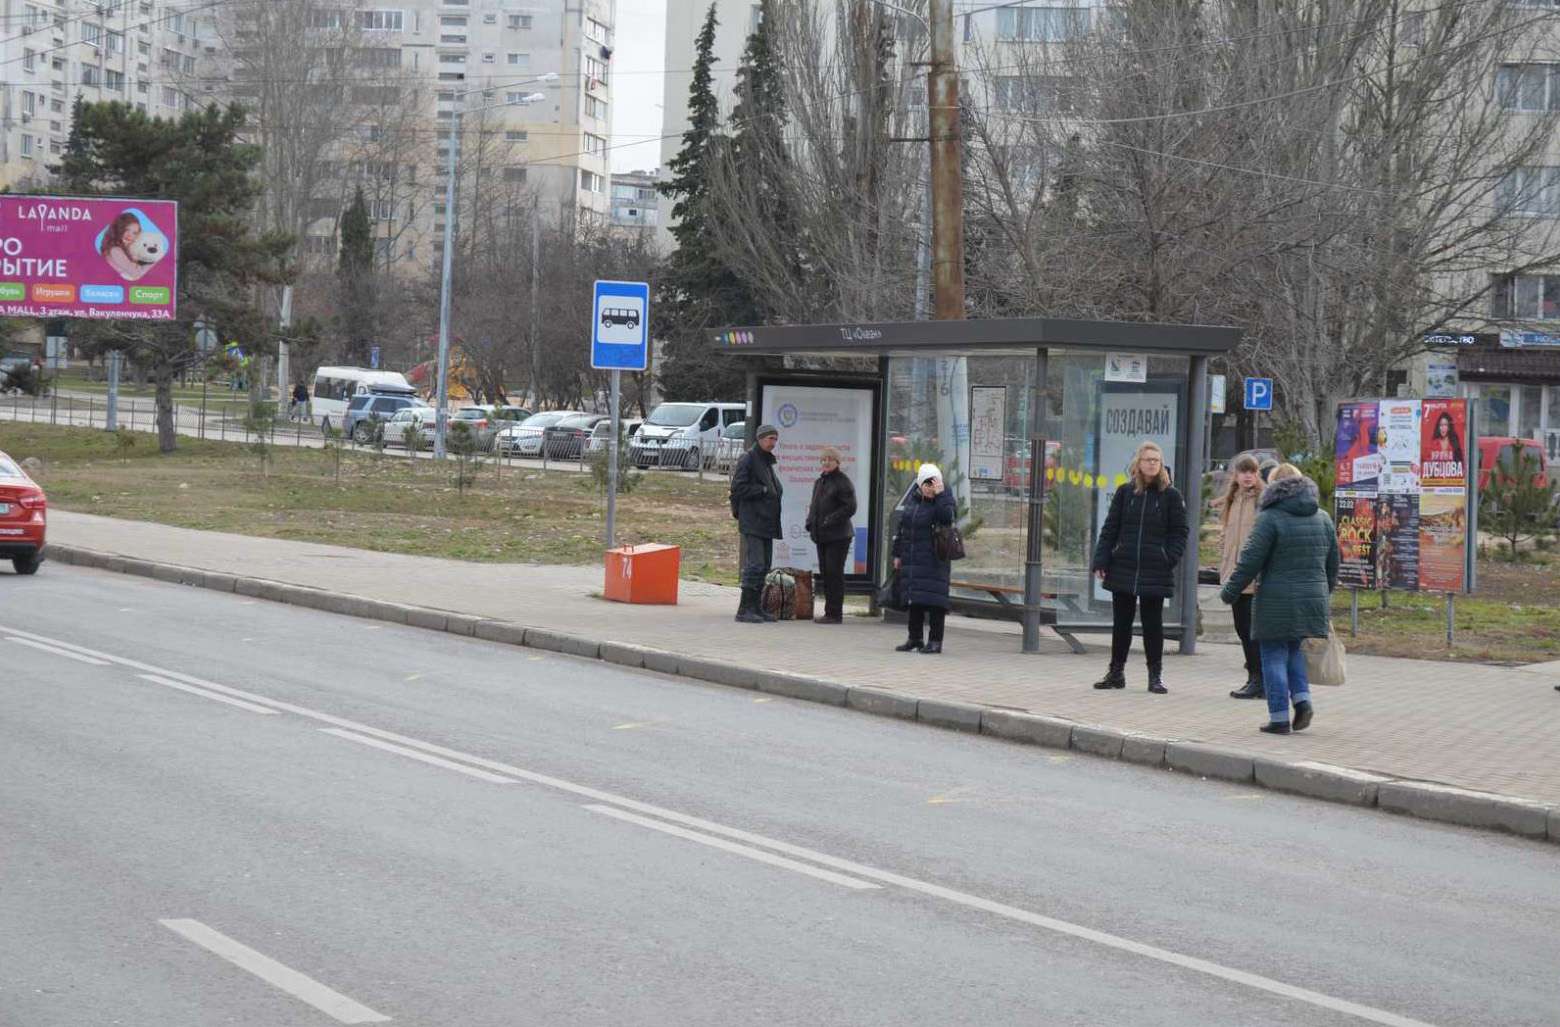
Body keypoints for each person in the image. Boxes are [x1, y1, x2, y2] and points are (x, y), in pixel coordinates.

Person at [1219, 463, 1340, 735]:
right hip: (1312, 598)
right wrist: (1324, 592)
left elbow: (1249, 561)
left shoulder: (1269, 518)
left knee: (1273, 653)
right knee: (1294, 650)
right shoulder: (1322, 517)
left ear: (1273, 487)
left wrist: (1229, 591)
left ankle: (1279, 717)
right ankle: (1302, 700)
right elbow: (1333, 562)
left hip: (1275, 598)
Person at [1091, 440, 1189, 694]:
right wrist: (1102, 559)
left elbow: (1180, 532)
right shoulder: (1125, 493)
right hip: (1124, 565)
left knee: (1152, 624)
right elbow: (1110, 528)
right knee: (1121, 622)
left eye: (1156, 460)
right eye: (1148, 460)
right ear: (1138, 463)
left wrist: (1168, 557)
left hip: (1154, 569)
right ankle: (1116, 672)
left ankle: (1155, 676)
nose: (1152, 464)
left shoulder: (1171, 495)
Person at [892, 463, 956, 654]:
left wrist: (941, 494)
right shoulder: (914, 501)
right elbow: (902, 529)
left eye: (933, 484)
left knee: (936, 601)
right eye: (927, 484)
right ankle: (915, 638)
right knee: (915, 601)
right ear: (920, 484)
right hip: (913, 559)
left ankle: (936, 641)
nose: (929, 488)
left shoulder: (944, 500)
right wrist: (897, 554)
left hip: (935, 559)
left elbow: (947, 517)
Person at [1220, 453, 1265, 699]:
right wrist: (1223, 563)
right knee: (1240, 627)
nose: (1248, 476)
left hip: (1253, 577)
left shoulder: (1262, 500)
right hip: (1234, 575)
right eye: (1243, 471)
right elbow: (1226, 535)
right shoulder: (1232, 500)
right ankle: (1253, 676)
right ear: (1235, 475)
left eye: (1252, 471)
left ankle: (1258, 678)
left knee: (1251, 629)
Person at [729, 424, 783, 624]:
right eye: (770, 438)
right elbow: (738, 488)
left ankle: (757, 607)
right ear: (760, 439)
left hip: (766, 522)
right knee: (755, 564)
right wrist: (763, 491)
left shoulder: (766, 461)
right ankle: (745, 609)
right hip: (753, 520)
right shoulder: (749, 458)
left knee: (764, 566)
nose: (773, 443)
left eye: (775, 439)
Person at [804, 446, 856, 624]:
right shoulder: (820, 482)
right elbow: (814, 505)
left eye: (829, 459)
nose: (826, 463)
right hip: (822, 535)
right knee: (826, 573)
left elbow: (850, 507)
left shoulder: (843, 482)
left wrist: (831, 519)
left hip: (839, 535)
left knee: (834, 573)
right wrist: (810, 522)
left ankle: (835, 613)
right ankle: (829, 612)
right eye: (823, 460)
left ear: (837, 462)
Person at [100, 212, 149, 282]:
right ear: (119, 229)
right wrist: (153, 264)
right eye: (127, 230)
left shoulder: (125, 250)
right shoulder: (115, 250)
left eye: (134, 233)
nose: (130, 235)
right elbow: (136, 273)